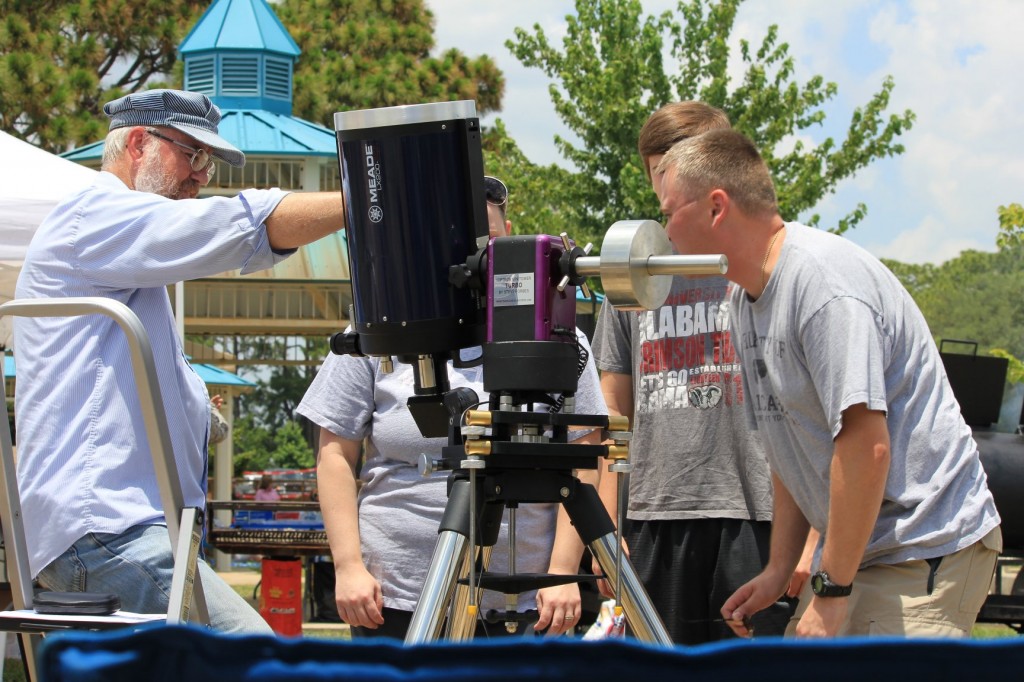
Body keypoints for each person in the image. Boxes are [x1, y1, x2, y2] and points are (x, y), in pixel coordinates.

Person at [13, 89, 345, 634]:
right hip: (104, 530)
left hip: (111, 532)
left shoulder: (123, 261)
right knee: (257, 653)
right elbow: (243, 226)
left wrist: (202, 416)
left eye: (207, 162)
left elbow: (147, 393)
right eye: (191, 154)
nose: (201, 176)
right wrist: (369, 201)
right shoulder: (97, 213)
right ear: (139, 143)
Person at [653, 127, 1002, 638]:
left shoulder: (823, 286)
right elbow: (787, 445)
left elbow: (867, 449)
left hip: (922, 546)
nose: (665, 232)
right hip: (859, 553)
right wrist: (778, 568)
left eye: (668, 212)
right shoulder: (741, 300)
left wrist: (832, 590)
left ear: (716, 207)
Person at [297, 176, 607, 639]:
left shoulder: (561, 339)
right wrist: (348, 566)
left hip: (525, 601)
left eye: (494, 245)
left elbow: (587, 453)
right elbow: (336, 454)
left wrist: (564, 572)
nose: (484, 263)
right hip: (397, 595)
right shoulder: (382, 330)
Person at [591, 102, 794, 644]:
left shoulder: (757, 263)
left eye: (679, 167)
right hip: (655, 512)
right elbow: (612, 407)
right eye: (658, 172)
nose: (666, 184)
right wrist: (605, 519)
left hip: (755, 508)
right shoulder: (631, 271)